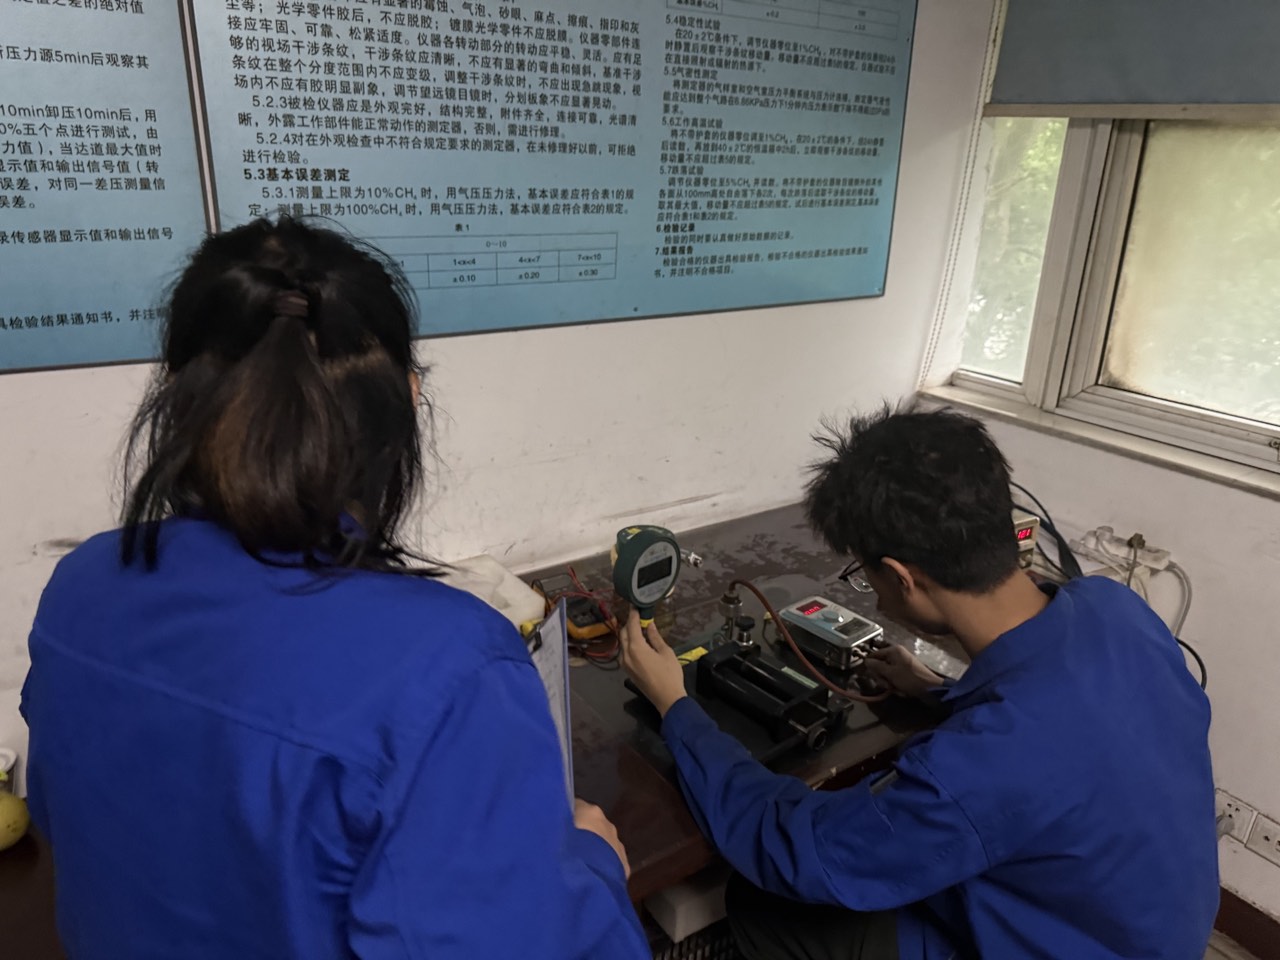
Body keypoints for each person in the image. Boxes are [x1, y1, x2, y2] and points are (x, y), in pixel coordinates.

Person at [21, 217, 649, 959]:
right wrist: (592, 862)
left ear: (174, 396)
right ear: (409, 399)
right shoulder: (449, 666)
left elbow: (76, 821)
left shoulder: (81, 586)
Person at [621, 407, 1218, 960]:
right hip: (1144, 925)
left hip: (1058, 942)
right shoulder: (1115, 608)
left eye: (863, 574)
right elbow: (1064, 724)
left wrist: (676, 707)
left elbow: (803, 849)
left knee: (764, 903)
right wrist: (938, 691)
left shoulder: (975, 773)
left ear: (901, 577)